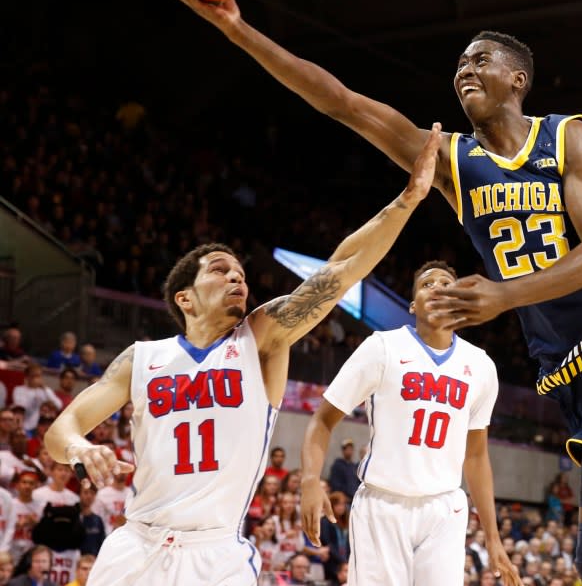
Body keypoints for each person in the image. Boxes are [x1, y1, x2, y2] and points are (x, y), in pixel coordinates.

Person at [164, 0, 582, 586]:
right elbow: (343, 102)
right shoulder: (454, 160)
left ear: (518, 79)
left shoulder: (567, 135)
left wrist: (502, 294)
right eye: (458, 63)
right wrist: (237, 29)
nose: (463, 69)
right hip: (571, 371)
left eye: (480, 59)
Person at [43, 127, 443, 586]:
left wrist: (407, 200)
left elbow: (339, 270)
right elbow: (61, 432)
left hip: (216, 555)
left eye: (241, 273)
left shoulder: (261, 339)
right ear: (185, 299)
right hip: (135, 547)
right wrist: (81, 447)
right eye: (219, 270)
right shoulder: (142, 359)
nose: (238, 279)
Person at [299, 260, 520, 586]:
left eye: (447, 283)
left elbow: (475, 457)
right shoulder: (382, 347)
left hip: (445, 508)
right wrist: (309, 480)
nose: (438, 287)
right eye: (428, 284)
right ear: (414, 305)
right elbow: (323, 419)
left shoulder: (481, 366)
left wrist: (493, 537)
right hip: (383, 505)